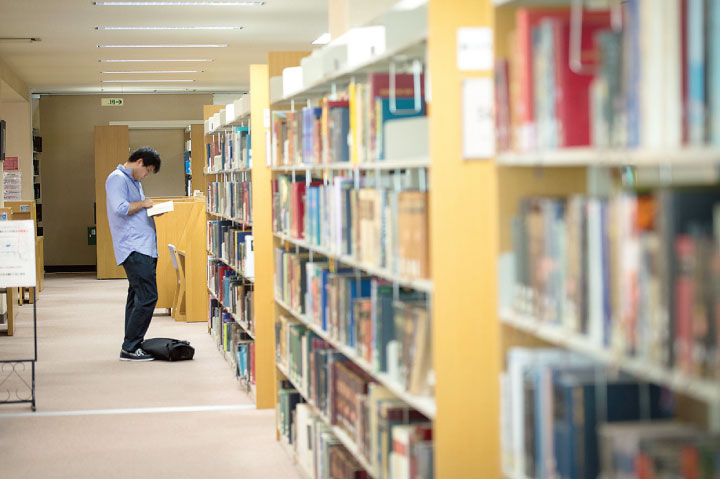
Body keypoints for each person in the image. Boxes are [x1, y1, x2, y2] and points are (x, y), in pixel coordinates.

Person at [105, 147, 162, 361]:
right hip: (133, 247)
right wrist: (144, 204)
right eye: (147, 171)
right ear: (139, 162)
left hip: (143, 246)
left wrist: (150, 209)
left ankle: (132, 343)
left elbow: (135, 209)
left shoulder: (134, 182)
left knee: (137, 296)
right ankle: (130, 347)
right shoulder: (117, 179)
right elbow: (120, 208)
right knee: (148, 296)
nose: (146, 176)